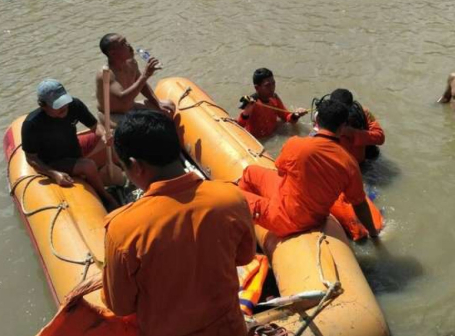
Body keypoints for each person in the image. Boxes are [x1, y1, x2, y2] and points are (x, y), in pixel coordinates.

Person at [103, 110, 256, 336]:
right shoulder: (230, 197)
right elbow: (244, 257)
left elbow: (120, 305)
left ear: (135, 166)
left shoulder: (122, 228)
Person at [238, 99, 378, 238]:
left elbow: (281, 170)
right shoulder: (349, 163)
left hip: (284, 217)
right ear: (342, 127)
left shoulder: (296, 144)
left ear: (317, 121)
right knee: (250, 172)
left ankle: (247, 230)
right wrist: (373, 233)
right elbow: (360, 204)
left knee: (232, 196)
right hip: (314, 218)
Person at [21, 79, 119, 210]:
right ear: (43, 105)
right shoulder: (32, 124)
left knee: (114, 135)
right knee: (88, 166)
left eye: (64, 102)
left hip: (75, 149)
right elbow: (31, 158)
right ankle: (107, 198)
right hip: (53, 161)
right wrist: (54, 174)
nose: (63, 108)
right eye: (57, 105)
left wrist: (105, 135)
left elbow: (95, 126)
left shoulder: (74, 105)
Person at [96, 33, 175, 128]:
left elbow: (142, 86)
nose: (129, 45)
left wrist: (157, 103)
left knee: (169, 107)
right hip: (112, 115)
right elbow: (123, 99)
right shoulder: (105, 74)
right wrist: (145, 75)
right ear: (112, 53)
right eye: (123, 43)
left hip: (131, 107)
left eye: (126, 41)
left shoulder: (131, 62)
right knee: (142, 128)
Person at [237, 68, 308, 138]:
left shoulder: (274, 98)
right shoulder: (252, 103)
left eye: (273, 83)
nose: (272, 88)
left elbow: (286, 117)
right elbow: (239, 127)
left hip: (274, 135)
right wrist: (246, 113)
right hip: (257, 141)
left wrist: (296, 115)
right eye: (267, 85)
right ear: (257, 88)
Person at [327, 88, 385, 164]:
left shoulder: (363, 113)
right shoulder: (325, 116)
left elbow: (380, 137)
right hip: (338, 164)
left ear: (350, 107)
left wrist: (353, 133)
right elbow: (315, 140)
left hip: (360, 164)